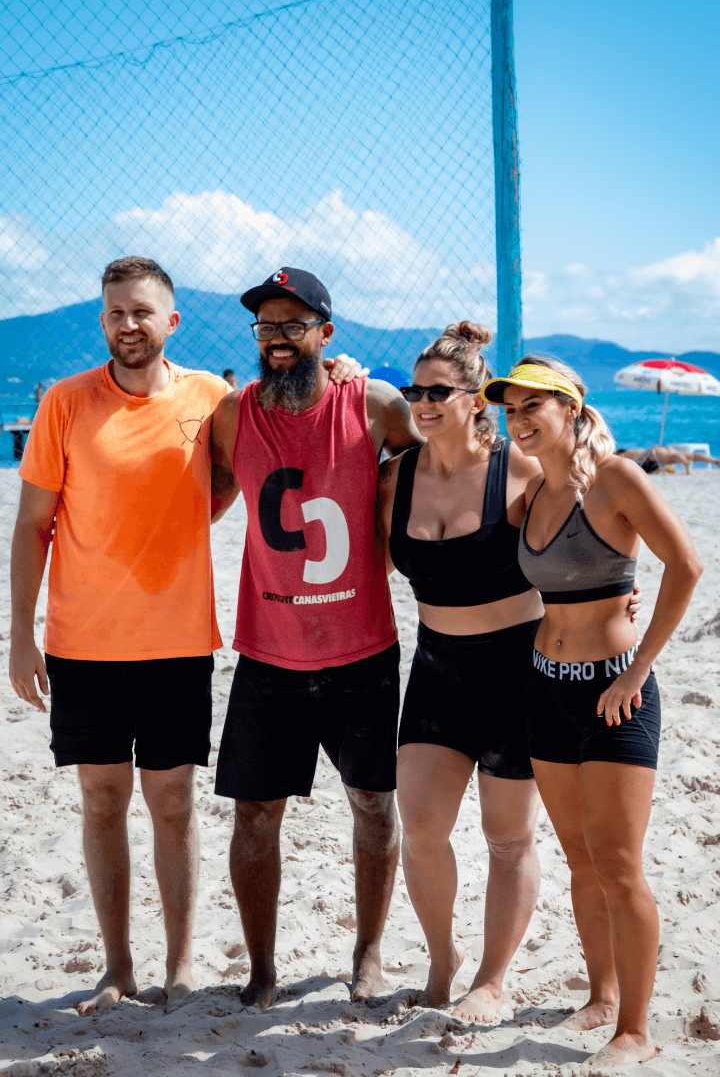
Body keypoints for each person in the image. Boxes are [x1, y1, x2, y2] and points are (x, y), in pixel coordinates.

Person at [8, 257, 364, 1017]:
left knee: (172, 804)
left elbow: (276, 441)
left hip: (177, 643)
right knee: (101, 801)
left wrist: (340, 368)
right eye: (114, 313)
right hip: (82, 644)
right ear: (101, 322)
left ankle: (177, 967)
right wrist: (19, 636)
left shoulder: (210, 397)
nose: (127, 324)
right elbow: (33, 525)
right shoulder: (65, 404)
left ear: (171, 322)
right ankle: (116, 967)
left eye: (142, 311)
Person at [376, 325, 641, 1023]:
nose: (423, 403)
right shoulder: (394, 478)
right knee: (423, 825)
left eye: (439, 391)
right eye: (415, 391)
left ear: (473, 401)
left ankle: (491, 980)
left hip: (515, 674)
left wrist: (620, 594)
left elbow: (589, 541)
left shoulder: (515, 473)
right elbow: (367, 567)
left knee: (507, 836)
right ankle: (444, 961)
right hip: (434, 672)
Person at [211, 267, 424, 1011]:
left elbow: (448, 464)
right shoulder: (234, 415)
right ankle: (262, 969)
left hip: (362, 650)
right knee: (254, 816)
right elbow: (199, 500)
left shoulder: (373, 403)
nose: (276, 340)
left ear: (326, 335)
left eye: (292, 326)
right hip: (268, 653)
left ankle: (367, 954)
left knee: (372, 805)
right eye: (265, 327)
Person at [482, 355, 702, 1068]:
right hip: (545, 686)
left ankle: (634, 1031)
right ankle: (603, 995)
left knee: (619, 865)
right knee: (579, 859)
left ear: (571, 409)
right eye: (509, 412)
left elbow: (687, 566)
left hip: (617, 692)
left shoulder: (617, 480)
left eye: (531, 409)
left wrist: (638, 667)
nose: (517, 423)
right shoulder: (529, 495)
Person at [617, 445, 720, 475]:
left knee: (672, 457)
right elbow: (663, 468)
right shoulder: (631, 452)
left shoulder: (622, 456)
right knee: (691, 456)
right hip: (658, 450)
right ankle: (715, 461)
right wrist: (670, 469)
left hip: (652, 453)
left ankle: (685, 463)